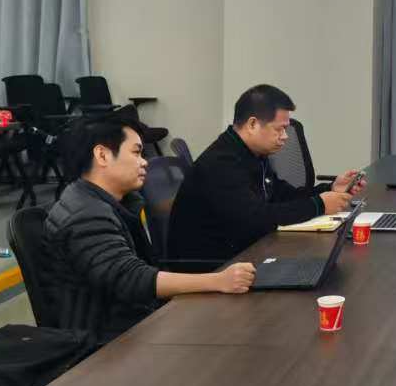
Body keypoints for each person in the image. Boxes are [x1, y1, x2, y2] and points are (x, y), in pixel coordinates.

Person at [43, 114, 255, 347]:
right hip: (104, 344)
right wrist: (217, 281)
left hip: (132, 324)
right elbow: (132, 279)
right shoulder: (85, 215)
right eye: (136, 153)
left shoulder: (108, 202)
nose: (144, 162)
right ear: (102, 155)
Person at [168, 84, 364, 263]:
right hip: (212, 269)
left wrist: (330, 189)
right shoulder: (221, 164)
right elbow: (257, 219)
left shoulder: (251, 154)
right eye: (280, 129)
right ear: (252, 124)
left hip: (241, 254)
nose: (285, 137)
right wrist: (319, 205)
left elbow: (281, 195)